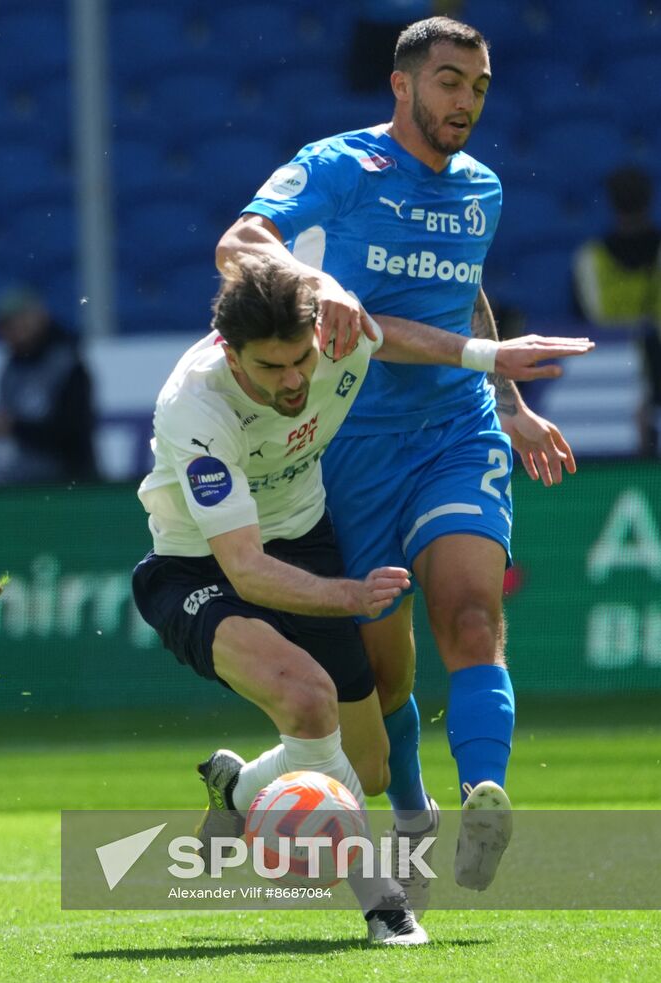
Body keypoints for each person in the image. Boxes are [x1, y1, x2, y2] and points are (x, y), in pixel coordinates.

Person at [217, 16, 581, 900]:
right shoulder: (340, 165)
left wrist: (508, 401)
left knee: (469, 615)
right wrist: (324, 287)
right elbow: (240, 243)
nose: (467, 101)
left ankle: (484, 793)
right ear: (404, 83)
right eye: (452, 81)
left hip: (456, 429)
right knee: (385, 676)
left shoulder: (482, 189)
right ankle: (412, 811)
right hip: (349, 446)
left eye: (481, 86)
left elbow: (470, 299)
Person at [131, 256, 591, 942]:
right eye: (270, 369)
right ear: (230, 352)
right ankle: (384, 904)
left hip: (305, 543)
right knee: (308, 698)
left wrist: (494, 371)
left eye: (300, 363)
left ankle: (238, 788)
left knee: (367, 771)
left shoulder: (338, 338)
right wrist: (347, 593)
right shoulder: (193, 409)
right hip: (201, 568)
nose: (292, 382)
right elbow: (247, 570)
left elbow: (407, 334)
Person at [0, 286, 98, 484]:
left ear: (38, 316)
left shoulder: (68, 365)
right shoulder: (10, 369)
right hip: (22, 479)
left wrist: (12, 427)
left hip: (65, 480)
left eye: (18, 321)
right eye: (5, 325)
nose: (12, 331)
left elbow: (72, 432)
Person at [573, 165, 661, 456]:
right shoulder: (591, 257)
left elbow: (584, 322)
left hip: (608, 378)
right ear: (649, 200)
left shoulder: (589, 258)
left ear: (612, 204)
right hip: (620, 370)